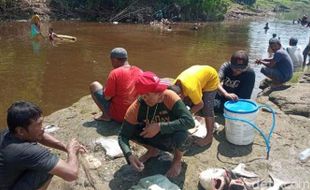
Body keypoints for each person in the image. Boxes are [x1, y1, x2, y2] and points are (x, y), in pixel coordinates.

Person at [118, 71, 195, 177]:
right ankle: (153, 150)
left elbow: (189, 122)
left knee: (185, 136)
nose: (162, 92)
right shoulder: (135, 109)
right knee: (131, 130)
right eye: (158, 92)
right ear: (145, 97)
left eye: (161, 89)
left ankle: (177, 161)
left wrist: (160, 126)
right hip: (152, 136)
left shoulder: (169, 96)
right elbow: (122, 136)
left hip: (171, 135)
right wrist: (129, 155)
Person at [0, 101, 86, 190]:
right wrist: (72, 152)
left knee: (46, 163)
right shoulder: (26, 151)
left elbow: (40, 135)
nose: (43, 128)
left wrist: (65, 147)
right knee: (46, 169)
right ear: (21, 131)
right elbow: (71, 174)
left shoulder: (9, 133)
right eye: (39, 124)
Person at [89, 47, 143, 123]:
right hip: (135, 114)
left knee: (94, 85)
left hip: (120, 116)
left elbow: (107, 98)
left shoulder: (115, 73)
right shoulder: (139, 70)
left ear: (114, 60)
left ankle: (106, 116)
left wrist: (106, 90)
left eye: (111, 61)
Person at [173, 65, 219, 146]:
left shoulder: (191, 89)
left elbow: (200, 105)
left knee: (207, 108)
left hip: (211, 78)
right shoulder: (173, 87)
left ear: (181, 95)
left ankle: (209, 137)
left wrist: (188, 114)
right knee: (187, 104)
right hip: (197, 76)